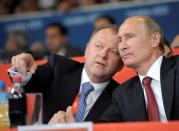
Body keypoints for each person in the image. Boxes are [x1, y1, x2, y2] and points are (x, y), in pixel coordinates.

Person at [9, 25, 123, 123]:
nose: (103, 54)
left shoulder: (120, 98)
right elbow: (32, 81)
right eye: (98, 46)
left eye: (113, 52)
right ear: (87, 50)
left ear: (120, 65)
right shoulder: (58, 68)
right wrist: (23, 69)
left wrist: (76, 129)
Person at [98, 16, 179, 122]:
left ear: (154, 39)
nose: (122, 46)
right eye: (120, 40)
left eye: (130, 36)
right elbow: (102, 127)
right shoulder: (122, 94)